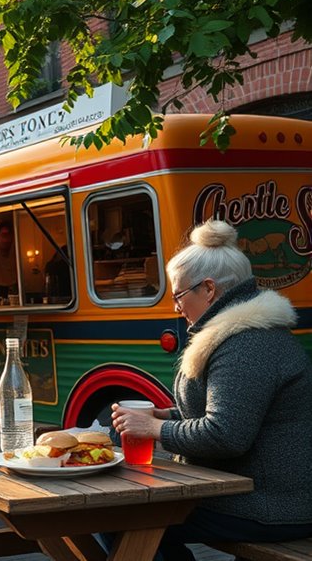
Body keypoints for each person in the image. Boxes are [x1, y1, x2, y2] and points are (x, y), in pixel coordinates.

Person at [111, 220, 312, 560]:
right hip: (259, 494)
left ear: (208, 289)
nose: (175, 307)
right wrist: (168, 415)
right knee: (131, 516)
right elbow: (235, 411)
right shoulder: (244, 334)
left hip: (273, 506)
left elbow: (227, 434)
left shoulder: (246, 344)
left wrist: (155, 428)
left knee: (126, 517)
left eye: (178, 295)